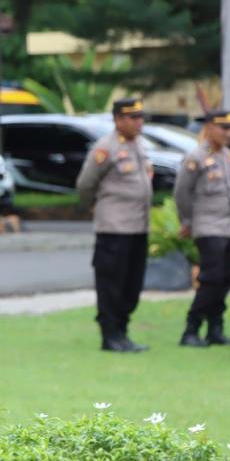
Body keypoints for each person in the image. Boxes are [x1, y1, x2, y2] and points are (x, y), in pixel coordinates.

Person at [76, 97, 153, 352]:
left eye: (140, 117)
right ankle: (111, 335)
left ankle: (123, 330)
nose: (138, 122)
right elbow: (86, 184)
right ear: (118, 120)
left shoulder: (140, 145)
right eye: (132, 117)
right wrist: (93, 206)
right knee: (112, 284)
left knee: (132, 283)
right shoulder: (105, 148)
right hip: (114, 227)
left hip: (138, 226)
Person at [173, 110, 230, 347]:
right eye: (224, 128)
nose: (228, 133)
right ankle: (191, 329)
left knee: (227, 277)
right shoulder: (196, 157)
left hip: (227, 226)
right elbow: (182, 193)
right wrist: (187, 221)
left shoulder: (228, 156)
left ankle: (216, 328)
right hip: (208, 226)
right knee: (211, 278)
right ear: (210, 127)